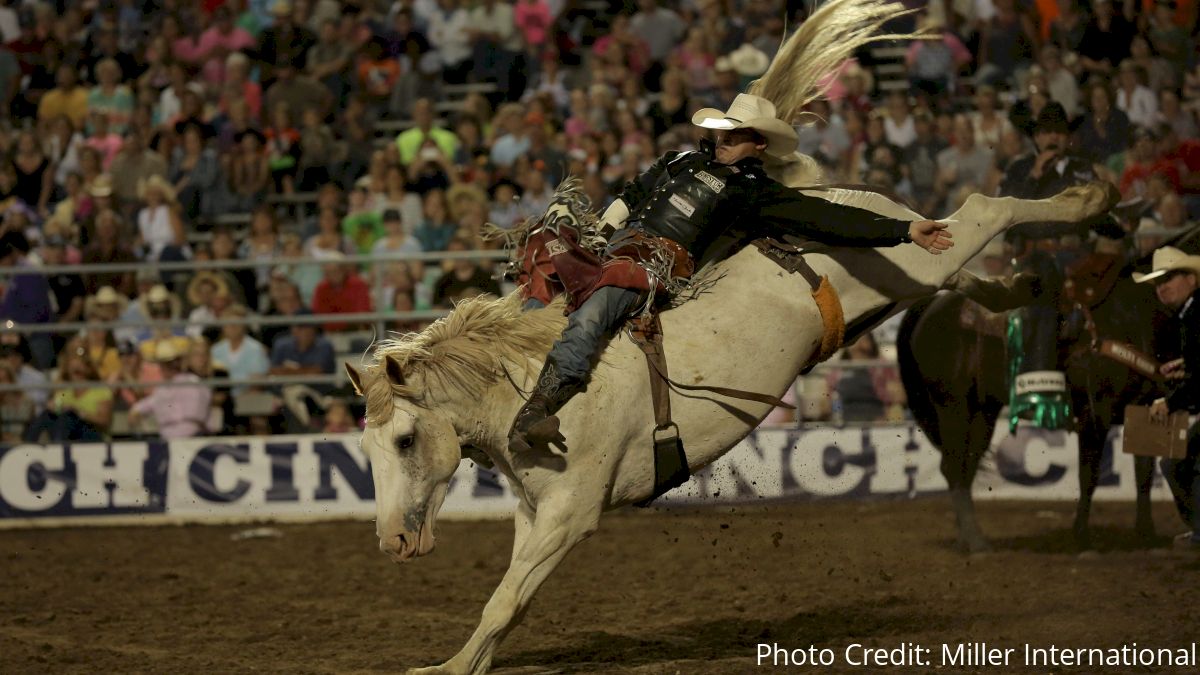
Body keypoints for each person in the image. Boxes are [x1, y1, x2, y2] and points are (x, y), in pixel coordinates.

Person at [508, 93, 952, 452]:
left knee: (595, 310)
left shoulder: (754, 192)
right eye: (723, 131)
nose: (723, 140)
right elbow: (633, 192)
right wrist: (600, 231)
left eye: (735, 135)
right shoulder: (678, 160)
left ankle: (536, 408)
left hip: (651, 267)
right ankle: (512, 358)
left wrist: (904, 229)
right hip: (614, 246)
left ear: (758, 144)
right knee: (541, 254)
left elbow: (826, 217)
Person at [998, 102, 1122, 428]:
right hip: (1034, 256)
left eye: (1058, 131)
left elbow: (1099, 212)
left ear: (1067, 137)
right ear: (1036, 138)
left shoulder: (1082, 170)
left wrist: (1122, 225)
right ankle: (1039, 387)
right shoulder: (1020, 169)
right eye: (1045, 131)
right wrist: (1035, 177)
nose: (1052, 136)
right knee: (1043, 283)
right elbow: (1004, 214)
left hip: (1079, 254)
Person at [1137, 247, 1200, 550]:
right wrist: (1187, 366)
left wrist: (1169, 403)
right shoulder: (1191, 312)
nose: (1161, 286)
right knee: (1179, 462)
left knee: (1180, 462)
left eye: (1169, 277)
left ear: (1191, 279)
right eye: (1157, 282)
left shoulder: (1194, 315)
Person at [129, 340, 212, 439]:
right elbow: (145, 405)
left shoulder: (192, 382)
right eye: (164, 364)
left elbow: (197, 416)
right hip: (169, 439)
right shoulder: (162, 388)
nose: (164, 367)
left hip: (191, 438)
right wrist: (136, 411)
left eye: (168, 363)